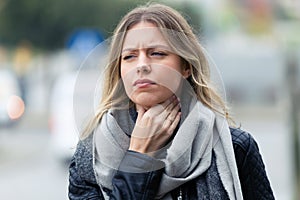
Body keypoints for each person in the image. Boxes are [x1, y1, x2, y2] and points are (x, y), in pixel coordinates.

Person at [68, 3, 275, 200]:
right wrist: (140, 155)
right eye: (129, 56)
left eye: (157, 53)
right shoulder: (90, 156)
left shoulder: (236, 147)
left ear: (186, 67)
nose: (142, 65)